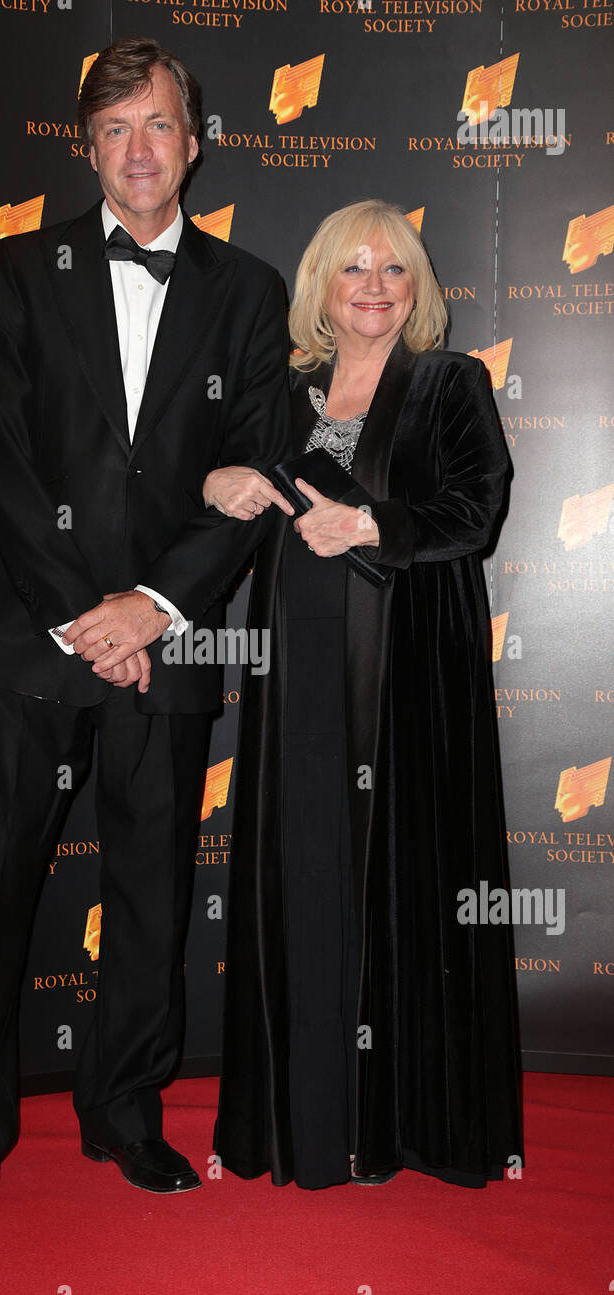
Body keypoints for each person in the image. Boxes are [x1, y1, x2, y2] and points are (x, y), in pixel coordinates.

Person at [0, 37, 291, 1238]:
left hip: (165, 645)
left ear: (196, 139)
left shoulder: (250, 293)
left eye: (160, 125)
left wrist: (154, 610)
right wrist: (88, 613)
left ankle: (126, 1113)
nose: (139, 151)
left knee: (151, 896)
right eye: (116, 129)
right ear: (86, 146)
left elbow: (256, 469)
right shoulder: (21, 269)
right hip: (35, 639)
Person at [208, 200, 523, 1190]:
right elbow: (242, 495)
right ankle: (308, 1122)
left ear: (417, 287)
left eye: (394, 270)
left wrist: (371, 528)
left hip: (402, 679)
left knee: (393, 876)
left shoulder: (446, 382)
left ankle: (394, 1122)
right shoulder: (286, 389)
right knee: (303, 866)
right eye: (353, 269)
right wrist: (221, 483)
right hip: (294, 665)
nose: (374, 287)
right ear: (321, 288)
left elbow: (473, 511)